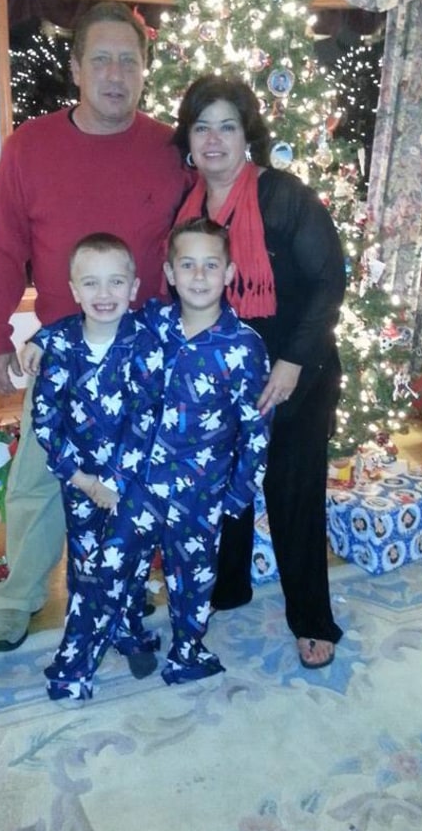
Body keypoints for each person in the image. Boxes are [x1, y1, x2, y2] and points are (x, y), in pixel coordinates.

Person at [0, 1, 190, 652]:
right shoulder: (30, 147)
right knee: (39, 482)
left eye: (129, 60)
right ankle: (16, 599)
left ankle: (130, 582)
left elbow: (199, 240)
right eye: (101, 58)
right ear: (75, 67)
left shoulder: (168, 150)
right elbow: (2, 246)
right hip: (65, 357)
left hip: (143, 355)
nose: (115, 73)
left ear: (145, 70)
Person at [44, 218, 272, 699]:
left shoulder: (245, 347)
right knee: (106, 570)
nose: (199, 275)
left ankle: (188, 651)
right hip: (140, 486)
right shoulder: (151, 322)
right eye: (187, 265)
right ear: (169, 273)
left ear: (229, 272)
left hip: (201, 494)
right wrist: (39, 339)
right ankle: (73, 665)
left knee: (193, 581)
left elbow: (256, 427)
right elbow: (90, 322)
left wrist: (238, 492)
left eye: (211, 265)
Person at [171, 75, 347, 670]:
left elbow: (330, 282)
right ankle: (228, 587)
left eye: (228, 125)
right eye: (202, 126)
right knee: (227, 486)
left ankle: (312, 620)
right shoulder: (189, 206)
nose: (214, 139)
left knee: (292, 493)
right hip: (226, 376)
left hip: (295, 371)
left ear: (248, 135)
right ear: (188, 138)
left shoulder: (283, 196)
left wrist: (292, 363)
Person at [26, 233, 166, 682]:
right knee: (87, 567)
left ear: (134, 286)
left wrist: (117, 482)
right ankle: (79, 649)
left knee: (130, 562)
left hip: (132, 484)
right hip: (80, 483)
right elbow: (45, 421)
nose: (104, 295)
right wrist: (84, 480)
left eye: (115, 282)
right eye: (91, 284)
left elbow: (148, 420)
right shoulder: (61, 345)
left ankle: (128, 630)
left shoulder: (146, 343)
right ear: (73, 290)